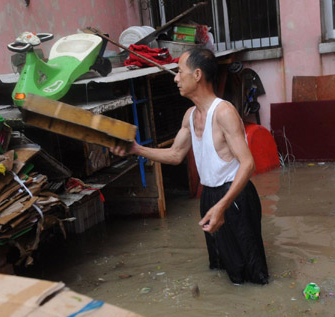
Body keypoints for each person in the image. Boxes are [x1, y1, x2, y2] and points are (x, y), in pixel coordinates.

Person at [111, 48, 268, 285]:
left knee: (249, 273)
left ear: (197, 75)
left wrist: (222, 206)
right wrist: (136, 149)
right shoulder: (190, 115)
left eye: (179, 72)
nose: (175, 78)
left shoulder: (224, 112)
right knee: (220, 266)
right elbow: (175, 154)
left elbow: (248, 165)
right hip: (210, 195)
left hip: (235, 197)